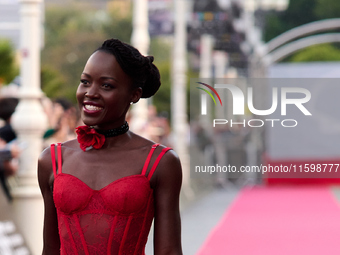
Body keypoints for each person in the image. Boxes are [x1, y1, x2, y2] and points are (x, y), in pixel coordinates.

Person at [38, 38, 183, 255]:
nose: (90, 93)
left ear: (134, 94)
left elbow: (169, 251)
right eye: (85, 81)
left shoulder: (161, 162)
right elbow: (50, 249)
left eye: (106, 85)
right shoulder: (53, 159)